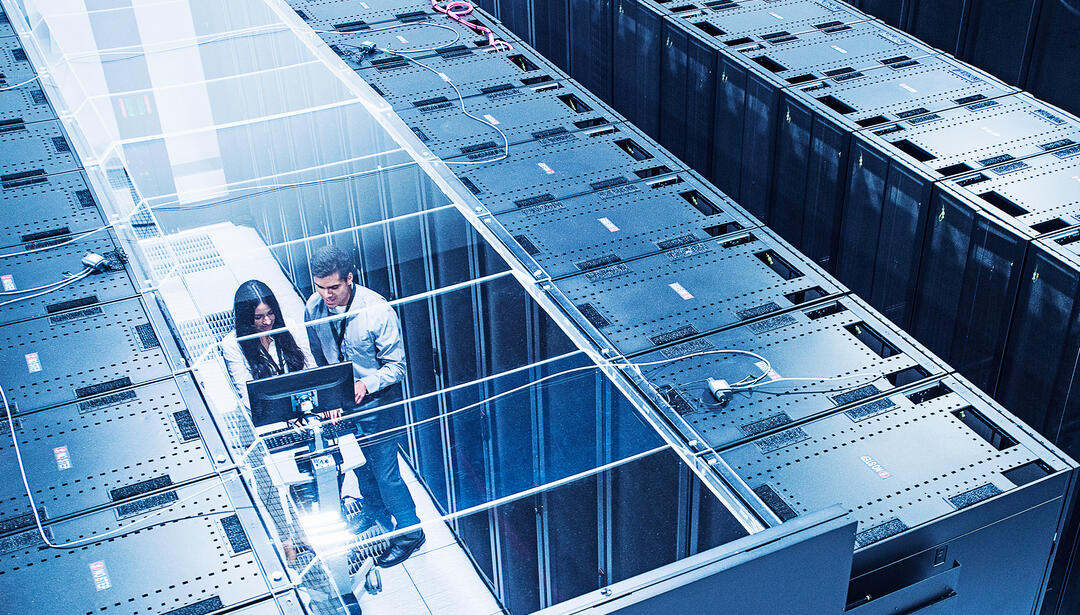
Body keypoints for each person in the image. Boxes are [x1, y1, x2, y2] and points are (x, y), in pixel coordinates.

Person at [304, 244, 424, 568]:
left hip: (379, 401)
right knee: (359, 465)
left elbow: (396, 367)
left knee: (386, 475)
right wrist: (329, 395)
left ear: (349, 279)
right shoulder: (313, 307)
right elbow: (319, 357)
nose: (326, 295)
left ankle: (411, 533)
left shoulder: (377, 310)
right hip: (342, 402)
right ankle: (374, 511)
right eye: (320, 287)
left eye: (333, 287)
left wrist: (364, 384)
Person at [220, 279, 318, 410]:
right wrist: (284, 414)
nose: (267, 321)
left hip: (301, 403)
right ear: (246, 318)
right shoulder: (232, 344)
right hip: (266, 412)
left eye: (270, 313)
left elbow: (310, 368)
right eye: (258, 317)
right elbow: (247, 395)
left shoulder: (288, 326)